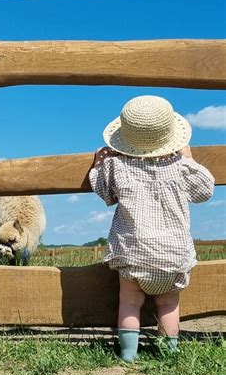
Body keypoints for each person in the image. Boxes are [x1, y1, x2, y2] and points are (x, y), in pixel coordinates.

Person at [89, 95, 214, 361]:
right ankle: (169, 353)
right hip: (172, 255)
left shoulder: (116, 164)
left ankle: (128, 355)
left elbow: (104, 192)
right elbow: (205, 191)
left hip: (132, 252)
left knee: (130, 304)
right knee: (168, 304)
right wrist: (189, 160)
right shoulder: (180, 167)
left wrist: (99, 163)